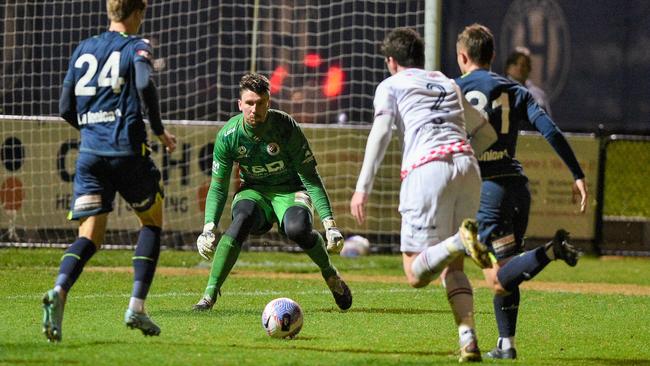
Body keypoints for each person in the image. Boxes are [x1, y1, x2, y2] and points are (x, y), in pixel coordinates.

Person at [350, 27, 495, 363]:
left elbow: (382, 131)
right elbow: (486, 132)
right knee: (453, 268)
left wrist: (362, 187)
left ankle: (460, 241)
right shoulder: (448, 82)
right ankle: (469, 340)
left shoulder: (391, 85)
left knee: (415, 273)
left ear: (391, 61)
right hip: (467, 166)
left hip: (428, 169)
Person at [41, 0, 177, 342]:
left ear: (109, 11)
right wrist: (159, 130)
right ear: (138, 13)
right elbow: (145, 84)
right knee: (151, 221)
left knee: (89, 236)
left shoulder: (84, 47)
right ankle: (136, 307)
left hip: (90, 153)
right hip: (127, 151)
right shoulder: (137, 47)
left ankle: (59, 289)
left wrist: (90, 131)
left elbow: (64, 107)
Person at [454, 24, 588, 359]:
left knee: (498, 276)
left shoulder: (454, 90)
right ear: (493, 56)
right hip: (517, 188)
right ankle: (506, 344)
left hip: (488, 190)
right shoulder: (514, 89)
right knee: (509, 267)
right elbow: (550, 129)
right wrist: (577, 174)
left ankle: (550, 252)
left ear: (462, 56)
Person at [192, 73, 352, 312]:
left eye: (260, 103)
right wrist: (208, 228)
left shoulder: (285, 127)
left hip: (290, 191)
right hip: (254, 193)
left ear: (269, 103)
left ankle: (331, 275)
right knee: (241, 218)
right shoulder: (228, 136)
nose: (254, 109)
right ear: (240, 105)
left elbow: (310, 177)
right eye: (249, 103)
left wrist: (330, 225)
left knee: (296, 229)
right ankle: (209, 295)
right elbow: (218, 186)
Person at [504, 46, 552, 117]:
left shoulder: (539, 94)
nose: (519, 68)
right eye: (515, 64)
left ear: (529, 68)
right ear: (508, 68)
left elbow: (548, 122)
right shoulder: (499, 90)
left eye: (523, 65)